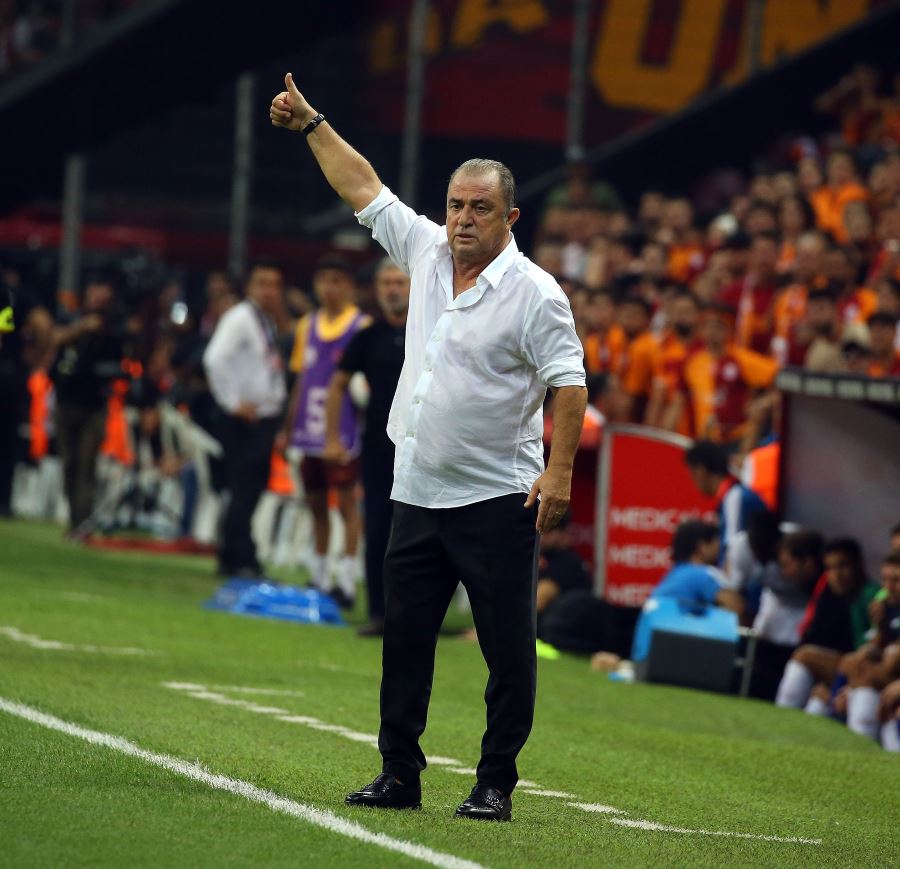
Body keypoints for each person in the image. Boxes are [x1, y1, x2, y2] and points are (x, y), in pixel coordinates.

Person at [271, 73, 587, 822]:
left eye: (480, 208)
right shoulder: (425, 251)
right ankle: (399, 773)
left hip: (495, 496)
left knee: (506, 649)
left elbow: (569, 384)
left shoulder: (537, 292)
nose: (462, 219)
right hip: (416, 488)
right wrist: (313, 123)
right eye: (454, 205)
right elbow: (364, 186)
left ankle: (495, 780)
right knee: (404, 640)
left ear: (510, 216)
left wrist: (560, 472)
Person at [323, 257, 409, 634]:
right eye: (386, 282)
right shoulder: (367, 337)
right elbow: (337, 385)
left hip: (424, 452)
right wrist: (331, 438)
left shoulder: (431, 331)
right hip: (378, 450)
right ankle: (378, 613)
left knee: (419, 535)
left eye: (399, 282)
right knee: (377, 529)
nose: (393, 289)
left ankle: (416, 617)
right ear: (376, 289)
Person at [284, 256, 370, 606]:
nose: (329, 288)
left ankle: (346, 582)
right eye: (323, 280)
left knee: (347, 505)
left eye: (336, 280)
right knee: (316, 503)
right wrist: (288, 428)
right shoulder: (307, 325)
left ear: (349, 286)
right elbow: (301, 380)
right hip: (309, 430)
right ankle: (319, 577)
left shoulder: (361, 326)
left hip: (345, 432)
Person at [203, 259, 287, 578]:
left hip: (261, 416)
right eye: (262, 283)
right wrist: (232, 403)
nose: (269, 291)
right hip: (247, 419)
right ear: (250, 287)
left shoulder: (262, 319)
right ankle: (240, 556)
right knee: (245, 489)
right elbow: (214, 359)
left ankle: (233, 554)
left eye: (274, 285)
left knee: (248, 488)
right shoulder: (240, 317)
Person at [51, 273, 124, 537]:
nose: (99, 294)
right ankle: (74, 520)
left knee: (86, 465)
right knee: (69, 464)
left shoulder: (114, 323)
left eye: (104, 289)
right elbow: (54, 338)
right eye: (95, 287)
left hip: (94, 405)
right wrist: (83, 328)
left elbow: (121, 359)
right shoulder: (71, 316)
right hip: (65, 399)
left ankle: (83, 525)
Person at [684, 439, 766, 565]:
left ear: (700, 471)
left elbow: (732, 557)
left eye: (692, 475)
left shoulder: (735, 498)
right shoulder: (731, 497)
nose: (693, 482)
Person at [649, 520, 743, 615]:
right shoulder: (700, 574)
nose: (719, 549)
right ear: (702, 547)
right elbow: (735, 606)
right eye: (715, 543)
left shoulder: (676, 572)